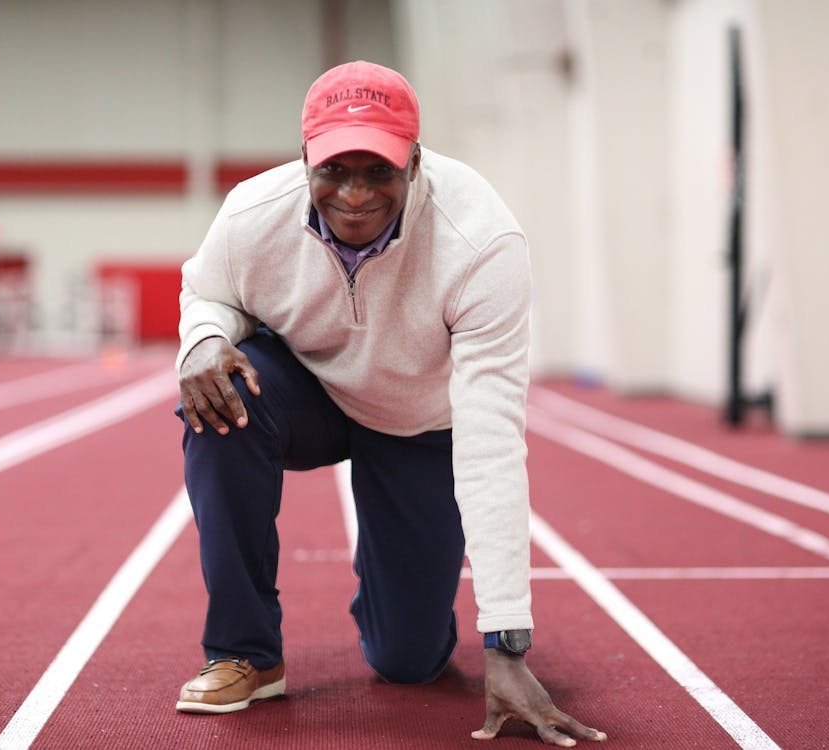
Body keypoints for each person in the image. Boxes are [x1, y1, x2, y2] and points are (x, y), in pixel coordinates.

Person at [174, 60, 606, 746]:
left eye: (378, 171)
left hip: (418, 422)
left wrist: (506, 642)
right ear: (304, 160)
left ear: (414, 161)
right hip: (307, 390)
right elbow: (208, 292)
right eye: (334, 170)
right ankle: (244, 653)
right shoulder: (254, 214)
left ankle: (393, 589)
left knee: (407, 663)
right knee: (220, 396)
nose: (353, 193)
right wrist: (200, 340)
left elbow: (492, 441)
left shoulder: (481, 242)